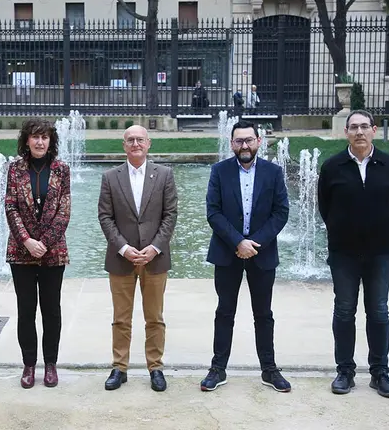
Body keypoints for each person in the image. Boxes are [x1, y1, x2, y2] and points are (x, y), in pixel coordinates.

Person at [200, 119, 291, 393]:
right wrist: (238, 241)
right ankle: (218, 368)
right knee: (224, 312)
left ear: (258, 142)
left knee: (263, 314)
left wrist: (255, 243)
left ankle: (269, 369)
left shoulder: (273, 173)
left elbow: (281, 212)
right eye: (239, 141)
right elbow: (213, 212)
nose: (244, 145)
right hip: (227, 253)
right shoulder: (219, 171)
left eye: (249, 140)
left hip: (262, 254)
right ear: (231, 144)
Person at [317, 109, 389, 398]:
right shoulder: (332, 167)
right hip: (344, 254)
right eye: (353, 127)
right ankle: (345, 372)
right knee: (344, 310)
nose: (359, 132)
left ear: (374, 130)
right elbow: (324, 207)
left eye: (364, 126)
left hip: (379, 252)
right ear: (346, 133)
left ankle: (380, 373)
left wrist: (380, 230)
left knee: (378, 312)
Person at [97, 125, 178, 392]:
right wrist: (123, 248)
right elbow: (105, 217)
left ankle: (155, 367)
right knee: (121, 318)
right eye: (130, 140)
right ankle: (119, 368)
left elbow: (170, 215)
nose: (135, 144)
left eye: (140, 139)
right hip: (122, 259)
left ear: (148, 143)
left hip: (155, 259)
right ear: (124, 145)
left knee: (154, 317)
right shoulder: (110, 177)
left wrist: (155, 247)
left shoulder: (164, 175)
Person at [5, 118, 71, 389]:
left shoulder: (61, 169)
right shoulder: (15, 169)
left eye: (44, 137)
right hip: (21, 253)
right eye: (35, 137)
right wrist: (28, 241)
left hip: (53, 253)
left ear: (51, 141)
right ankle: (29, 365)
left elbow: (64, 211)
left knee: (51, 311)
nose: (40, 142)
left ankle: (51, 364)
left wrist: (43, 242)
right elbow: (10, 208)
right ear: (27, 140)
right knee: (26, 310)